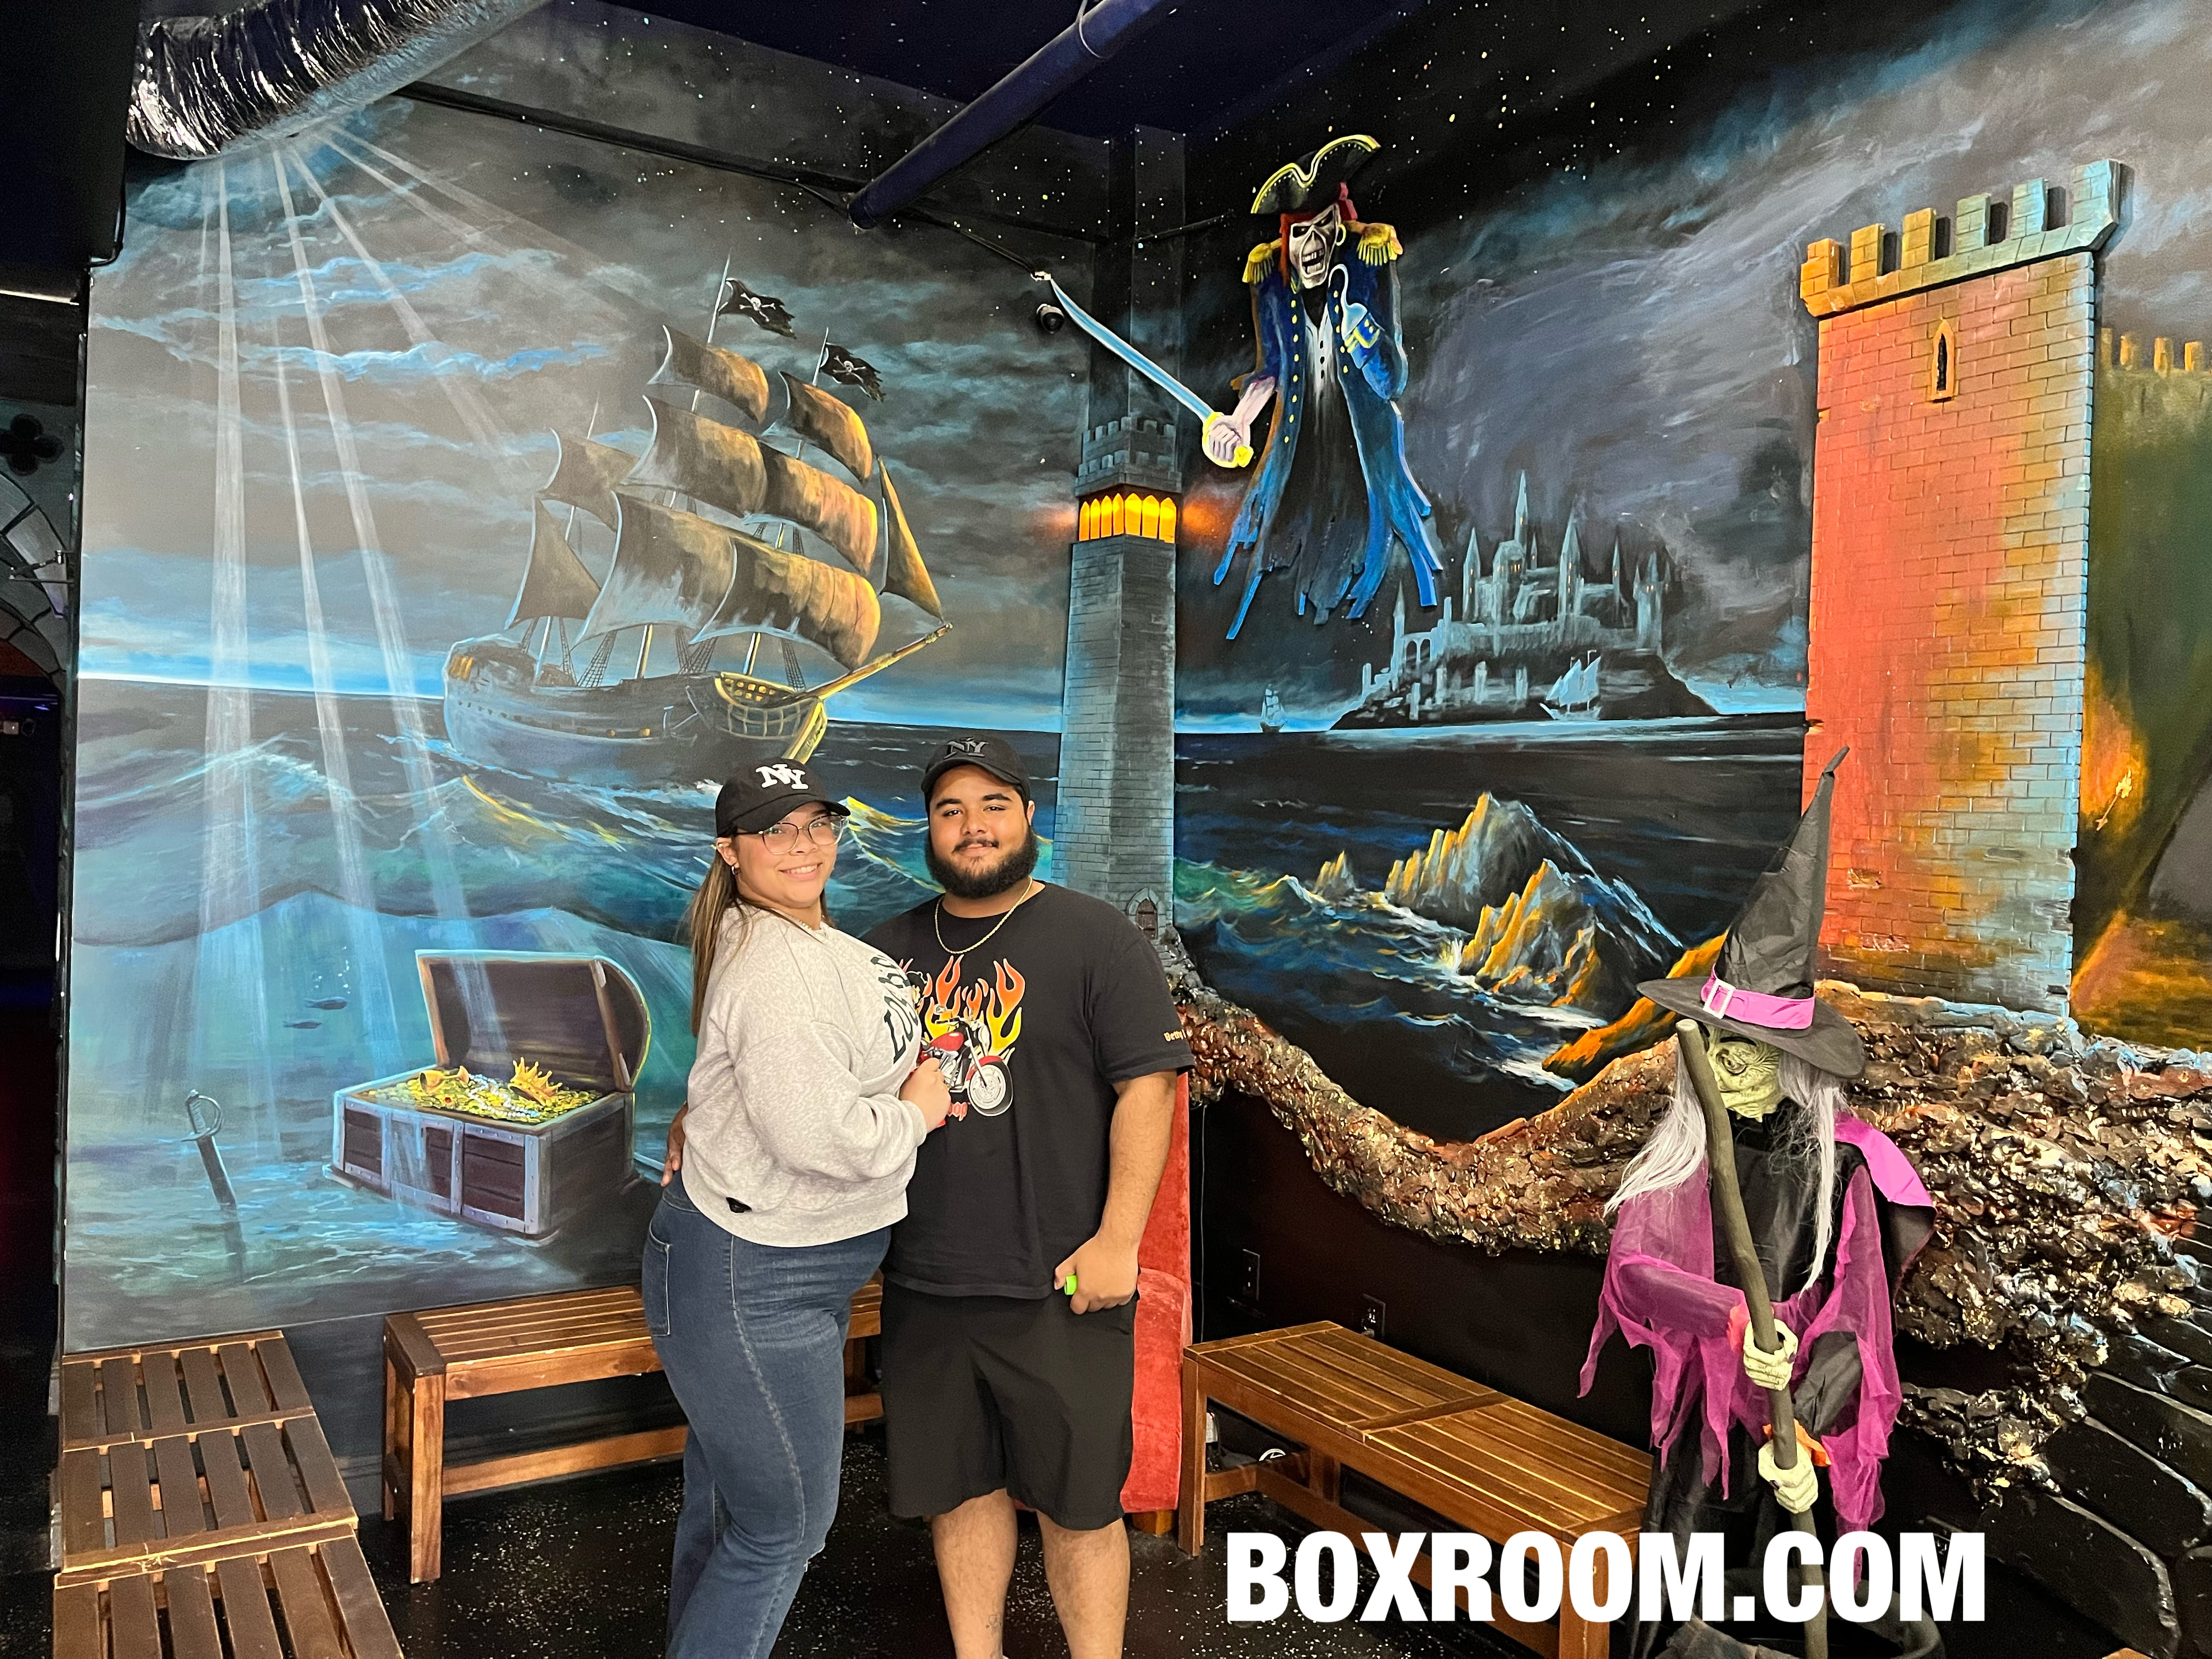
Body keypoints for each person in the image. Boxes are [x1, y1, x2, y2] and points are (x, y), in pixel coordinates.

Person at [1581, 753, 1937, 1659]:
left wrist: (1805, 1425)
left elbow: (1859, 1314)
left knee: (1800, 1586)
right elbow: (1634, 1268)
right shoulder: (1689, 1149)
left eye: (1747, 1047)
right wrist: (1732, 1315)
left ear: (1795, 1061)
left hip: (1794, 1418)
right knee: (1684, 1579)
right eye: (1716, 1043)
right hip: (1703, 1411)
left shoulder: (1844, 1165)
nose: (1725, 1064)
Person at [864, 734, 1188, 1659]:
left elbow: (1149, 1087)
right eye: (951, 810)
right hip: (923, 1280)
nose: (973, 827)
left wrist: (1119, 1240)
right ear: (929, 827)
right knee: (958, 1492)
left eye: (993, 806)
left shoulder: (1097, 937)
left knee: (1079, 1506)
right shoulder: (883, 952)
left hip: (1062, 1281)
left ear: (1029, 815)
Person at [646, 759, 952, 1659]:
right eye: (775, 829)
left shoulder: (819, 945)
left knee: (730, 1507)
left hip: (778, 1268)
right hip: (753, 1276)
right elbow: (822, 1138)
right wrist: (918, 1111)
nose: (804, 844)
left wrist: (702, 1113)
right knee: (781, 1529)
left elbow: (782, 1082)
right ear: (730, 851)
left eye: (818, 823)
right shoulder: (776, 966)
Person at [1201, 132, 1444, 639]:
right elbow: (1271, 368)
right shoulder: (1272, 283)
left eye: (1322, 229)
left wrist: (1365, 338)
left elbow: (1392, 380)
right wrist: (1240, 422)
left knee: (1358, 565)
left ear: (1339, 228)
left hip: (1363, 460)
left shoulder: (1368, 262)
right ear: (1286, 239)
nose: (1311, 247)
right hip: (1298, 454)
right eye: (1299, 234)